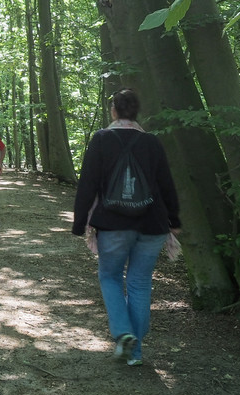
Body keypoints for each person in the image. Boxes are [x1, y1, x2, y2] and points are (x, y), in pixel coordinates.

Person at [72, 88, 181, 367]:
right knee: (140, 282)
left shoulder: (102, 139)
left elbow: (88, 184)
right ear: (137, 112)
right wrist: (175, 220)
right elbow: (167, 184)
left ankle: (123, 334)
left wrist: (79, 221)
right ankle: (135, 351)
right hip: (152, 223)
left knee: (110, 277)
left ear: (114, 111)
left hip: (113, 222)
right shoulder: (152, 143)